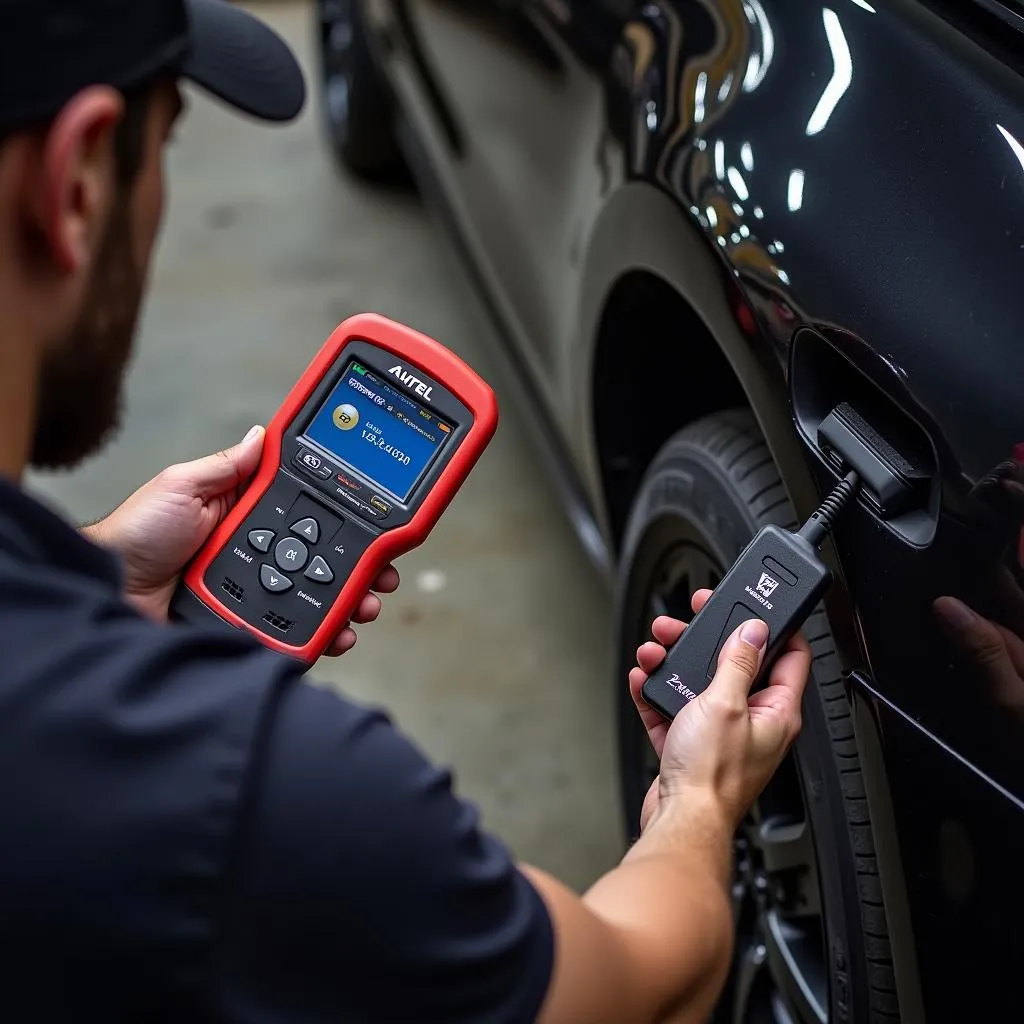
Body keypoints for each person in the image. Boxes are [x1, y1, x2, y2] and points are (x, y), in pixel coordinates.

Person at [0, 1, 813, 1020]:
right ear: (76, 185)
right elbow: (639, 985)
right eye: (162, 142)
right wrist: (698, 801)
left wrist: (88, 582)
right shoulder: (248, 795)